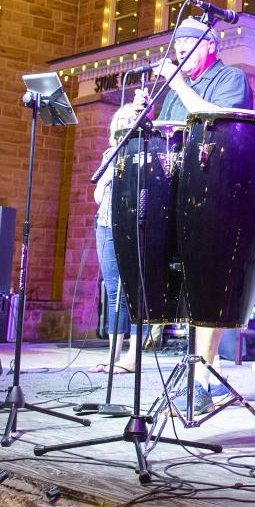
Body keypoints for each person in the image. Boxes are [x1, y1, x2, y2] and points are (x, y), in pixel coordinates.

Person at [134, 17, 252, 418]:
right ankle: (207, 376)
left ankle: (200, 379)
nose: (181, 49)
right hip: (175, 190)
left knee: (208, 285)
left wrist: (177, 83)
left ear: (211, 46)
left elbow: (217, 123)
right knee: (181, 283)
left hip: (216, 192)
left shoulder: (230, 78)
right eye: (177, 44)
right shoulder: (170, 93)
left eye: (190, 44)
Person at [91, 102, 142, 374]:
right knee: (114, 292)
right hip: (106, 224)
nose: (126, 123)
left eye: (131, 119)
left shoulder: (144, 151)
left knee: (135, 292)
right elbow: (98, 197)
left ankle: (133, 357)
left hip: (134, 227)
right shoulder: (109, 154)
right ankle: (113, 356)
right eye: (121, 120)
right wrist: (108, 177)